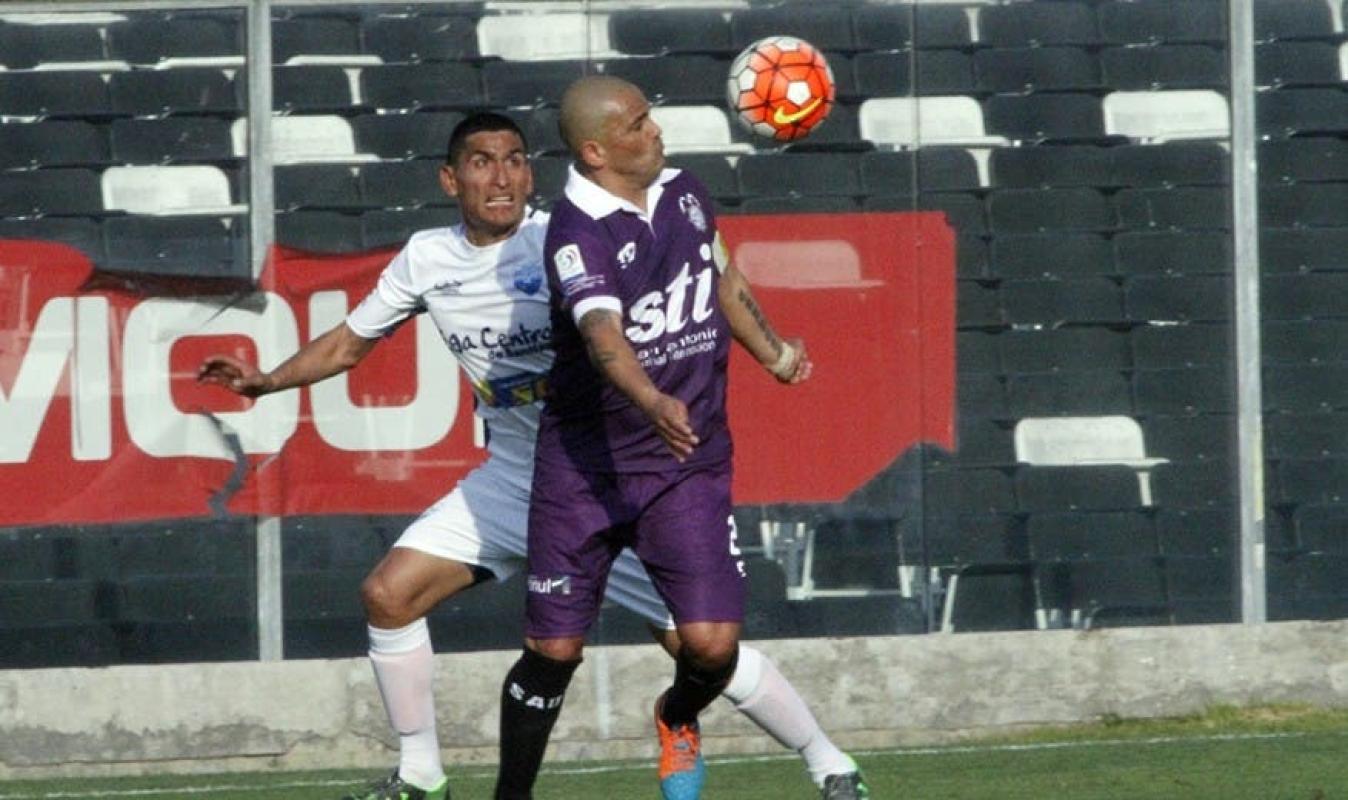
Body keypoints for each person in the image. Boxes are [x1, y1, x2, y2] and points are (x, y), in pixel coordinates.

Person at [197, 111, 867, 800]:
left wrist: (761, 356)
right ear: (450, 179)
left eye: (516, 160)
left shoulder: (564, 240)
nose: (503, 177)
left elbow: (678, 295)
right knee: (388, 596)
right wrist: (266, 381)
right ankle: (421, 773)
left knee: (703, 649)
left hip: (601, 480)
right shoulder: (427, 258)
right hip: (516, 479)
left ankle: (826, 758)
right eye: (482, 162)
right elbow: (347, 343)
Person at [495, 77, 869, 800]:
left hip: (683, 463)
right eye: (638, 124)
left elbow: (722, 279)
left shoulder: (686, 192)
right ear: (596, 151)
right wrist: (651, 398)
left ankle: (676, 715)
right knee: (553, 650)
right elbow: (602, 335)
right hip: (586, 472)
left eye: (652, 116)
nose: (655, 131)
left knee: (711, 646)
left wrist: (775, 355)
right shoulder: (577, 232)